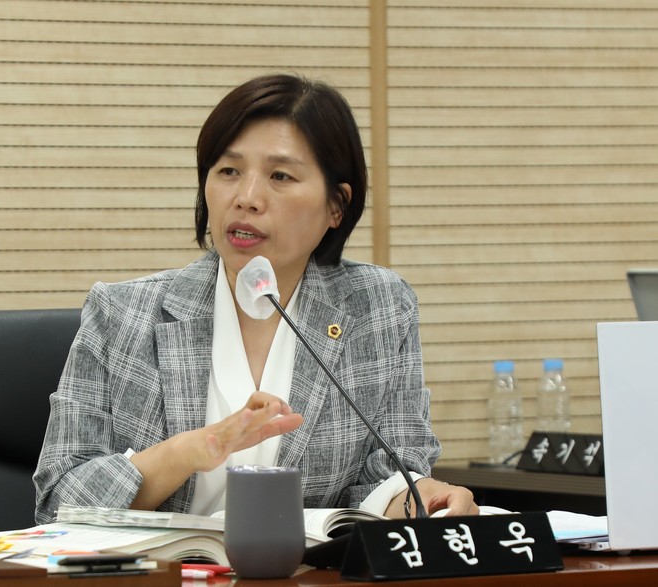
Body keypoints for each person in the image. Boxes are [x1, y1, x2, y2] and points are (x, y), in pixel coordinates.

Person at [33, 73, 478, 524]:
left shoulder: (378, 308)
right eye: (229, 171)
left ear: (336, 206)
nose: (246, 198)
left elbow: (385, 478)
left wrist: (426, 498)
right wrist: (189, 451)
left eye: (280, 176)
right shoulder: (122, 314)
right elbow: (58, 502)